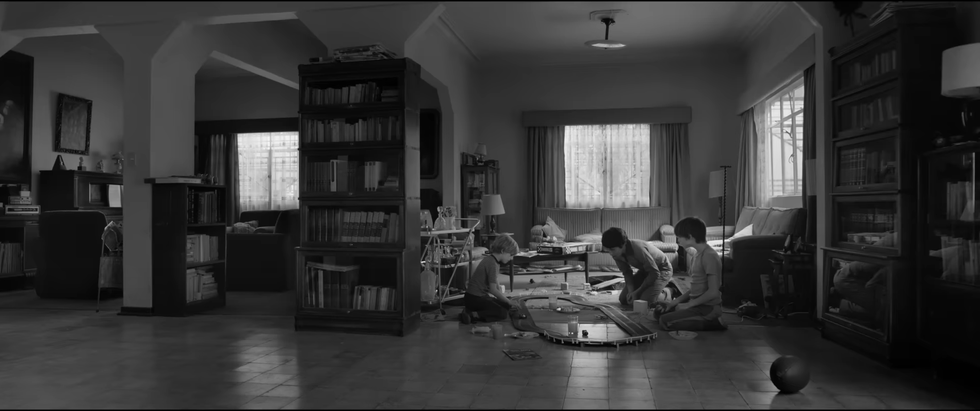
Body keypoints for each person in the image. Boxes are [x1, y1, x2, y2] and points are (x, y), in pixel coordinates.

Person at [658, 217, 727, 331]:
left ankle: (714, 322)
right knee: (659, 312)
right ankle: (690, 315)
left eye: (679, 237)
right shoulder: (696, 255)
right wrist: (674, 303)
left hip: (707, 307)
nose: (677, 240)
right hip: (696, 303)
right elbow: (695, 289)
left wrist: (688, 305)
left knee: (666, 321)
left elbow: (713, 292)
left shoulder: (710, 256)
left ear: (690, 237)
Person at [601, 227, 673, 307]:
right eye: (608, 250)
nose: (610, 253)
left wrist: (637, 292)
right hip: (645, 271)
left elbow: (654, 273)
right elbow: (627, 272)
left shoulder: (638, 249)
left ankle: (668, 290)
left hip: (662, 270)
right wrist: (631, 292)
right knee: (624, 299)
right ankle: (650, 290)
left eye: (612, 249)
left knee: (646, 302)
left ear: (623, 244)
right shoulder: (616, 254)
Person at [459, 234, 519, 324]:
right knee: (502, 313)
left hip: (476, 297)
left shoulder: (492, 260)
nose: (511, 259)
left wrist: (505, 301)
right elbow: (493, 290)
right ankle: (472, 315)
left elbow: (495, 283)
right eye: (511, 255)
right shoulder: (492, 264)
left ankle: (469, 310)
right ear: (503, 251)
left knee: (506, 306)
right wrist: (508, 301)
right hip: (474, 298)